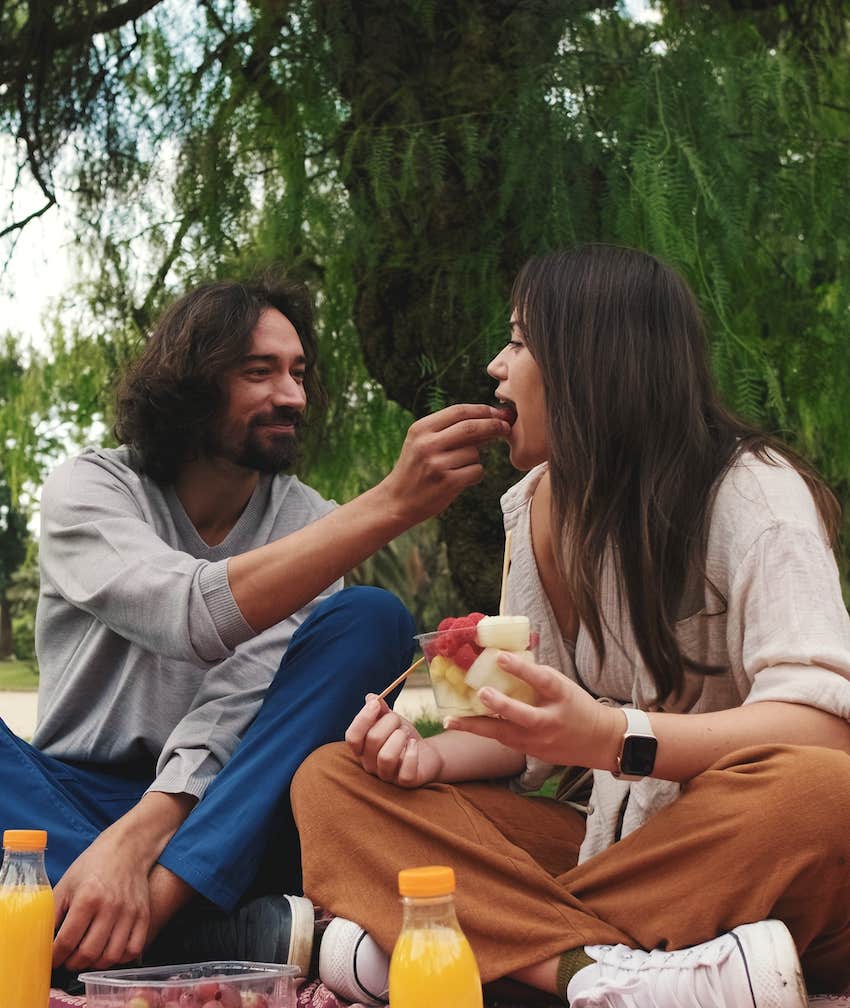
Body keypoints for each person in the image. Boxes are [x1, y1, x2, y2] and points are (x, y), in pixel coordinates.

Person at [290, 244, 850, 1008]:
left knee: (826, 793)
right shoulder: (537, 507)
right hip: (611, 856)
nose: (496, 365)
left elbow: (823, 729)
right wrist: (418, 747)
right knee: (333, 779)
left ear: (591, 362)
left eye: (518, 342)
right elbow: (509, 713)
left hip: (730, 849)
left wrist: (615, 738)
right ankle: (598, 980)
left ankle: (465, 950)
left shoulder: (754, 497)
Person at [0, 273, 512, 979]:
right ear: (190, 383)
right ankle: (207, 936)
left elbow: (237, 700)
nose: (293, 396)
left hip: (235, 811)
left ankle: (135, 921)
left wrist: (148, 842)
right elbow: (188, 615)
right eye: (259, 372)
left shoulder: (309, 523)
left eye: (299, 373)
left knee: (371, 618)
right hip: (73, 802)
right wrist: (391, 504)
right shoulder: (90, 492)